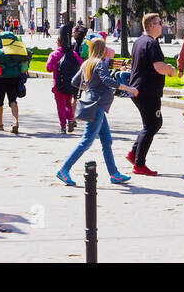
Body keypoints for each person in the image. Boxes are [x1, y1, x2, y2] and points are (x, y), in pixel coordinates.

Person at [56, 34, 136, 186]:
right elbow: (107, 80)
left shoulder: (87, 63)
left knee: (107, 141)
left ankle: (114, 174)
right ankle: (64, 169)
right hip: (96, 106)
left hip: (95, 105)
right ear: (103, 49)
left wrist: (90, 88)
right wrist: (128, 88)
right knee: (86, 141)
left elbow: (74, 82)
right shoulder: (98, 63)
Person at [126, 13, 176, 177]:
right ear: (152, 25)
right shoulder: (151, 43)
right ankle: (139, 164)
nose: (162, 25)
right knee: (153, 125)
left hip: (138, 89)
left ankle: (134, 153)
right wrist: (170, 69)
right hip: (147, 91)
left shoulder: (139, 41)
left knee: (152, 124)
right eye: (159, 23)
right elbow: (159, 67)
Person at [0, 28, 31, 134]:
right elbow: (28, 54)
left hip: (0, 78)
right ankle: (15, 122)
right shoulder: (18, 49)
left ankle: (0, 124)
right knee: (13, 101)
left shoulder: (1, 51)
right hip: (14, 77)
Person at [46, 31, 82, 133]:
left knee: (60, 105)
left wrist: (55, 67)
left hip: (58, 83)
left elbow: (48, 68)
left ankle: (63, 126)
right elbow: (80, 64)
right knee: (68, 103)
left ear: (58, 43)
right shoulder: (73, 53)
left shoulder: (54, 54)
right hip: (70, 82)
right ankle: (70, 119)